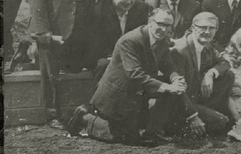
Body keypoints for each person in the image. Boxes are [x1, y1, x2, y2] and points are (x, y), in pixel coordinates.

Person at [68, 8, 187, 146]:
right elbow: (135, 74)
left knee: (173, 92)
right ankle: (86, 117)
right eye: (160, 24)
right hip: (119, 94)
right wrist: (168, 87)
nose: (164, 29)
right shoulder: (131, 40)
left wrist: (176, 79)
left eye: (168, 26)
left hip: (140, 90)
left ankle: (152, 132)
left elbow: (168, 65)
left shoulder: (162, 39)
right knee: (125, 138)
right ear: (150, 21)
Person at [28, 0, 95, 129]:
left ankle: (87, 111)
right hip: (54, 27)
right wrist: (42, 30)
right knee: (51, 73)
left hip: (81, 26)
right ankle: (52, 115)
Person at [160, 12, 235, 137]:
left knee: (228, 75)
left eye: (211, 28)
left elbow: (224, 62)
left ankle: (208, 119)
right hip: (178, 104)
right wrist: (193, 116)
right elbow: (178, 90)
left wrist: (210, 73)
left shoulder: (206, 44)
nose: (207, 32)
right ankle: (180, 128)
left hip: (195, 98)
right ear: (193, 28)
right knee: (221, 122)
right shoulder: (180, 51)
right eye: (203, 27)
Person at [91, 0, 150, 79]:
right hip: (106, 55)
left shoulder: (141, 8)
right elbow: (95, 43)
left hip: (131, 55)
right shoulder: (98, 11)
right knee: (104, 65)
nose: (129, 1)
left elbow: (142, 38)